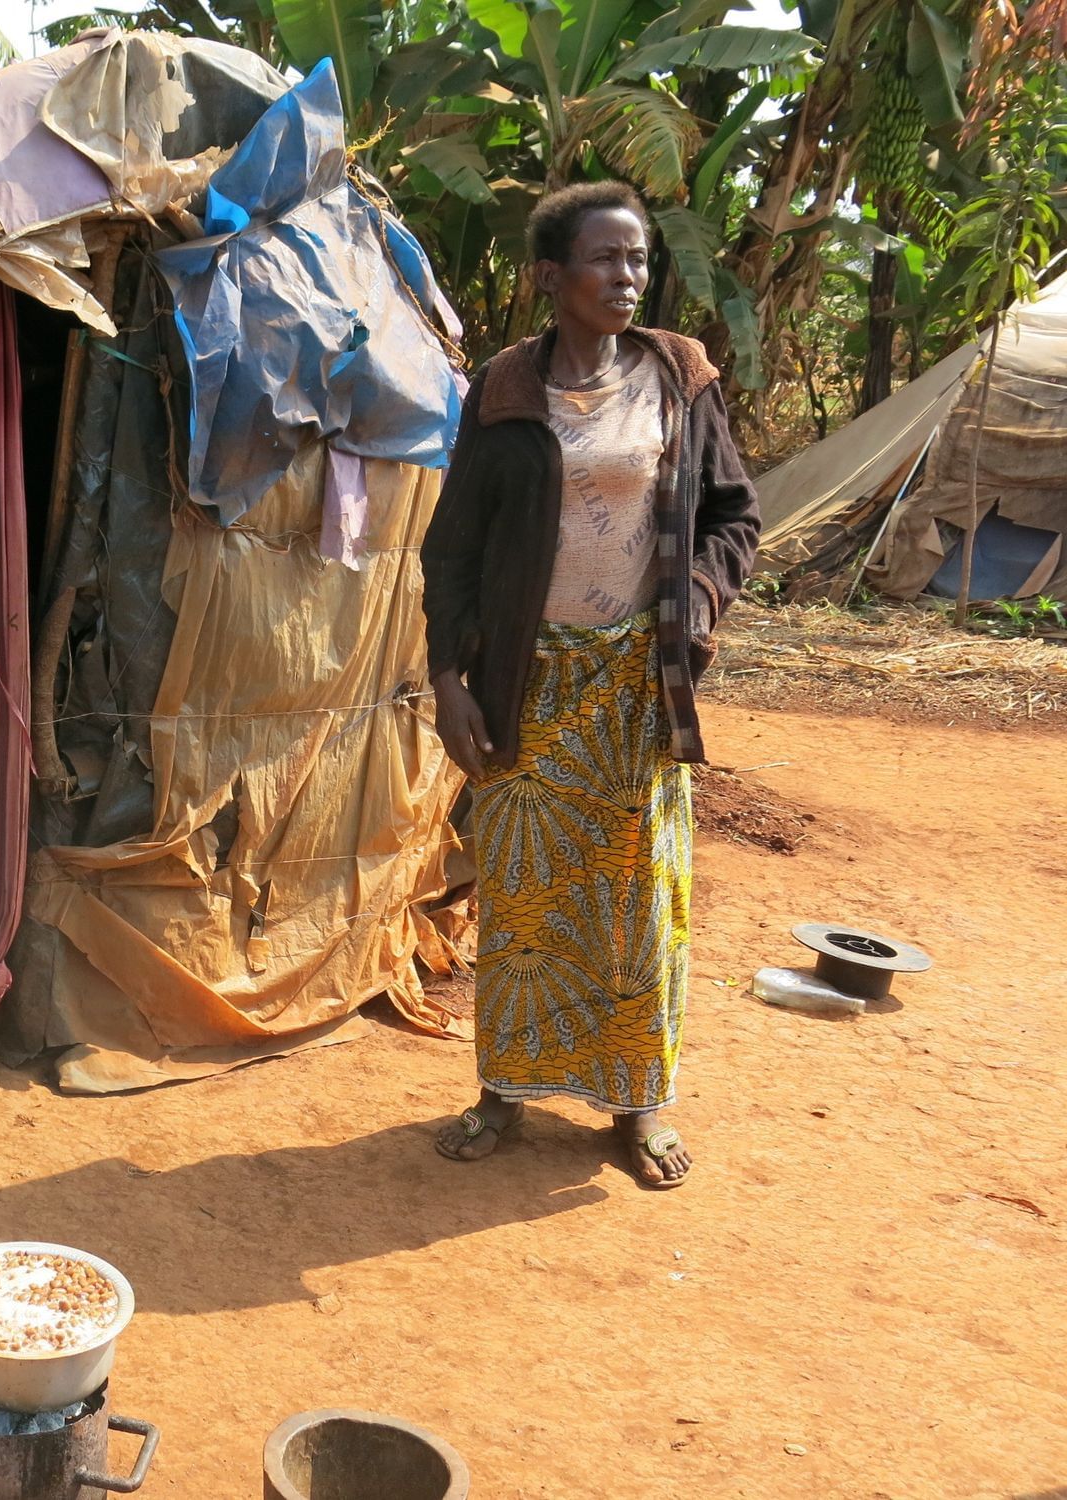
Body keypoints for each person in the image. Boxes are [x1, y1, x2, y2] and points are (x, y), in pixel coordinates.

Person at [420, 181, 760, 1189]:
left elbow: (735, 515)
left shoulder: (678, 378)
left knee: (637, 899)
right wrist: (446, 677)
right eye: (605, 258)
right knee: (523, 901)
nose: (628, 276)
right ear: (550, 276)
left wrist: (700, 599)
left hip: (636, 684)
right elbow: (453, 548)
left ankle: (637, 1103)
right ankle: (504, 1092)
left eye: (637, 258)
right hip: (527, 682)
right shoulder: (505, 392)